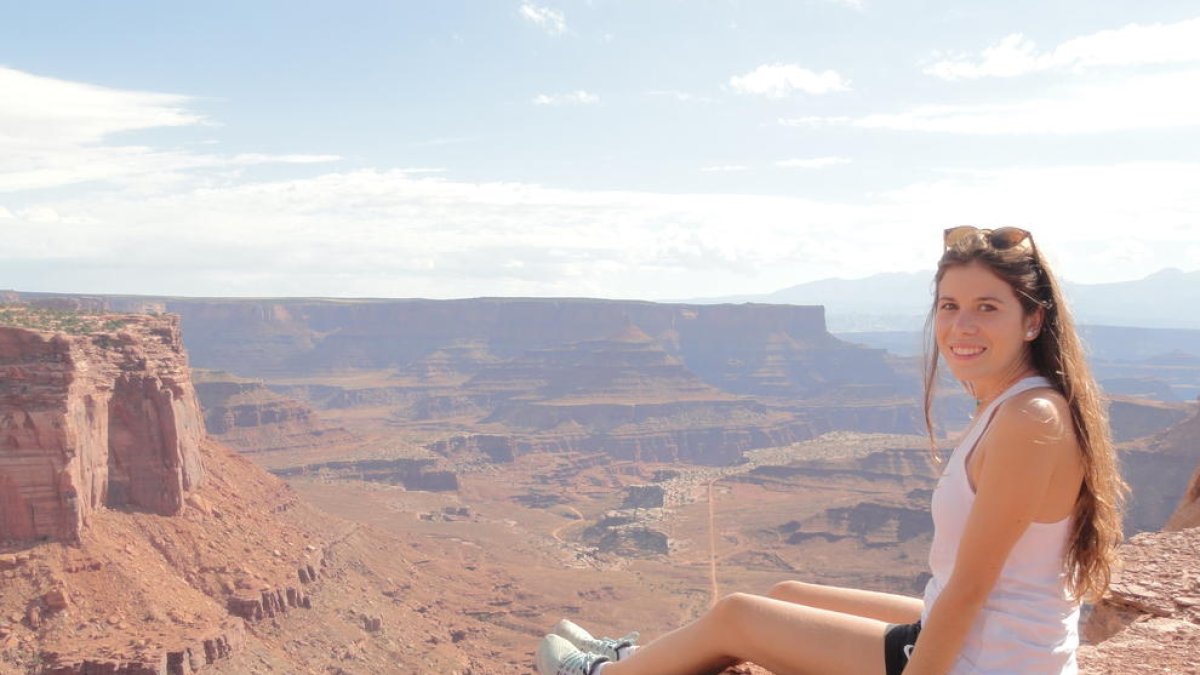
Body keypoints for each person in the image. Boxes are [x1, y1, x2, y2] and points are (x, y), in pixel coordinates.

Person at [535, 226, 1127, 675]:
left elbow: (971, 588)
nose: (961, 326)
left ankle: (606, 673)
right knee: (787, 597)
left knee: (739, 614)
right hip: (989, 641)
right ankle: (650, 658)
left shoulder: (1031, 417)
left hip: (991, 663)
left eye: (987, 307)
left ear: (1033, 320)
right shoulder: (1018, 401)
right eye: (949, 306)